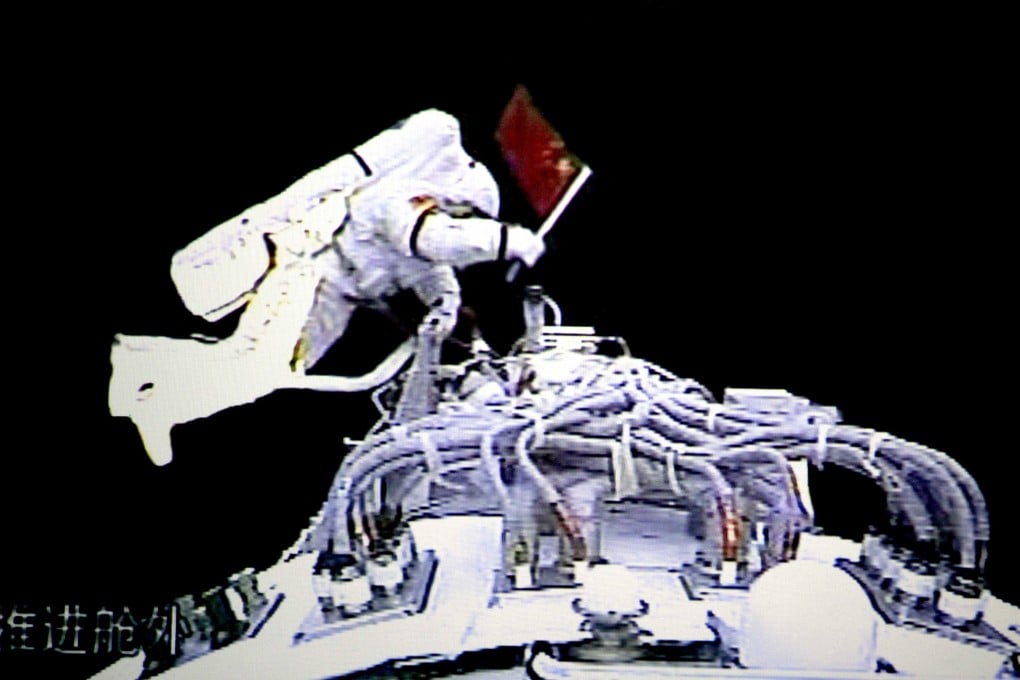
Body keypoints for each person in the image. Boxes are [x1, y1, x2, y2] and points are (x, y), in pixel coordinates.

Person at [109, 110, 545, 465]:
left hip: (335, 298)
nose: (461, 223)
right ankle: (142, 371)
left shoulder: (421, 230)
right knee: (254, 364)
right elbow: (430, 239)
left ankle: (157, 393)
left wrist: (446, 308)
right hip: (309, 275)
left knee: (263, 374)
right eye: (465, 216)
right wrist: (509, 241)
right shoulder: (399, 200)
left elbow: (430, 270)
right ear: (456, 197)